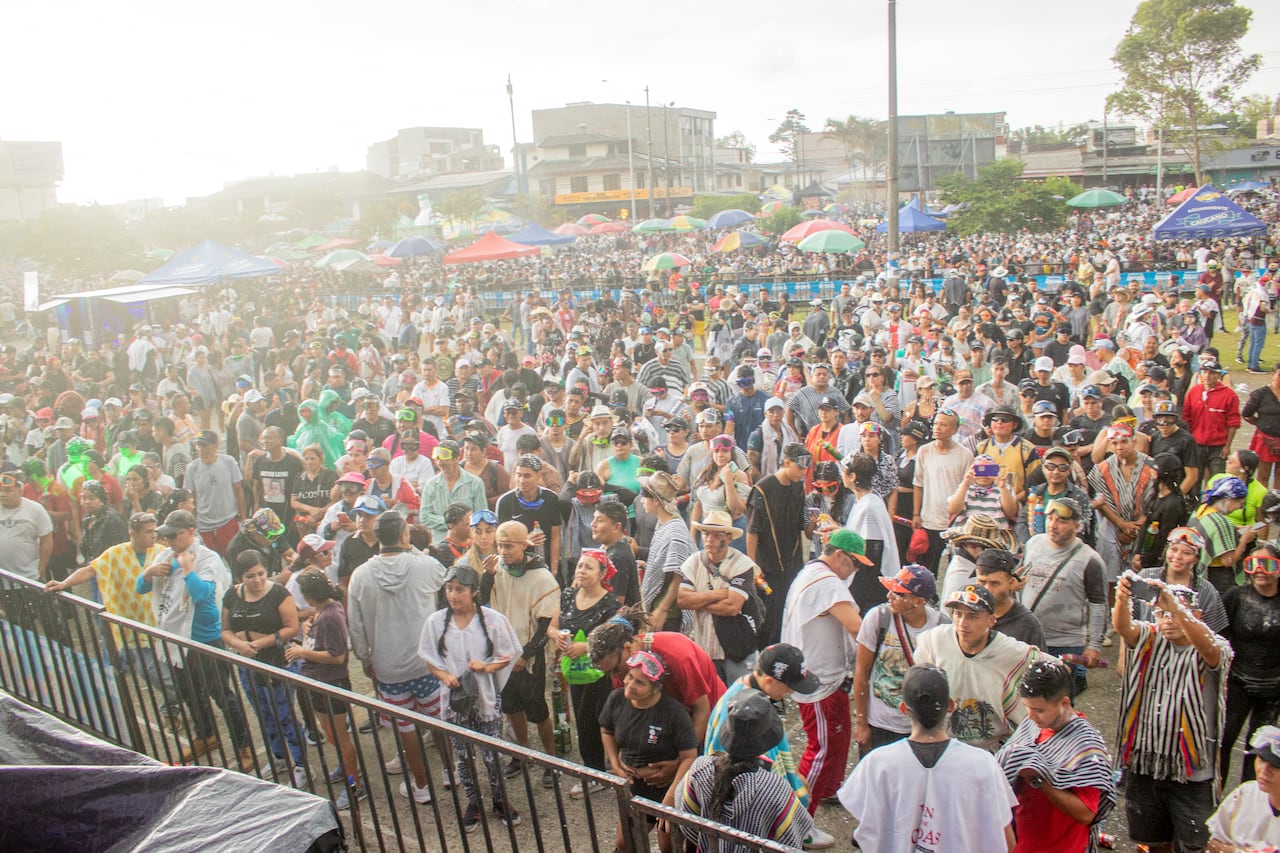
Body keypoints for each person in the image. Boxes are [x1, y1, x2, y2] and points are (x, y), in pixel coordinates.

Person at [838, 664, 1018, 852]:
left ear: (903, 708)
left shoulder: (877, 764)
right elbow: (1005, 838)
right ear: (950, 705)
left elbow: (867, 828)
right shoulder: (982, 764)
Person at [1112, 574, 1232, 853]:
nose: (1168, 620)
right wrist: (1122, 598)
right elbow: (1123, 627)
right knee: (1153, 842)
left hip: (1191, 771)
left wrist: (1178, 608)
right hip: (1146, 761)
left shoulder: (1213, 645)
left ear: (1197, 615)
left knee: (1194, 844)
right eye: (1162, 613)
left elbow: (1209, 649)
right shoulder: (1149, 637)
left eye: (1174, 614)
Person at [135, 509, 251, 769]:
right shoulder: (165, 556)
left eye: (174, 536)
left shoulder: (208, 559)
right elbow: (140, 588)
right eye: (167, 537)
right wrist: (149, 573)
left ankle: (243, 746)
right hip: (174, 638)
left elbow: (202, 595)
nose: (170, 542)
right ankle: (206, 734)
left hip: (204, 638)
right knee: (189, 692)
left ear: (189, 532)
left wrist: (188, 571)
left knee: (222, 695)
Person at [346, 511, 446, 804]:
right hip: (426, 662)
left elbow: (356, 625)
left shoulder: (360, 575)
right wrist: (414, 548)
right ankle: (450, 772)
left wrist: (365, 658)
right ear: (405, 535)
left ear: (377, 537)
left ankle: (421, 785)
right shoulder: (425, 565)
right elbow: (444, 579)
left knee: (405, 726)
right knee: (440, 720)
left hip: (387, 666)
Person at [419, 563, 523, 831]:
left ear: (474, 592)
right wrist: (444, 677)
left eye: (460, 590)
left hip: (486, 697)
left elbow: (507, 655)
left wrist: (485, 667)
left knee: (492, 755)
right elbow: (429, 658)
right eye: (450, 589)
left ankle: (500, 801)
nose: (454, 595)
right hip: (454, 700)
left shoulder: (492, 620)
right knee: (463, 756)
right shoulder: (435, 622)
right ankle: (473, 802)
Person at [781, 528, 873, 811]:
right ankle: (798, 819)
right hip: (818, 678)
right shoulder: (827, 582)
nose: (855, 570)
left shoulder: (810, 572)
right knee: (820, 748)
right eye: (854, 563)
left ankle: (829, 789)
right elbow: (859, 628)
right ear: (839, 556)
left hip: (819, 673)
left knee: (837, 739)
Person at [995, 659, 1117, 853]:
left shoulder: (1086, 746)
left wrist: (1039, 779)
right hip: (1024, 843)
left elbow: (1087, 813)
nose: (1031, 716)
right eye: (1027, 708)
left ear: (1064, 702)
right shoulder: (1032, 724)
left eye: (1039, 710)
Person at [675, 688, 814, 852]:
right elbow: (790, 842)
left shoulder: (700, 769)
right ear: (767, 739)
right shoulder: (776, 789)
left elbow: (688, 822)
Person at [479, 520, 560, 785]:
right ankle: (522, 753)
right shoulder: (496, 571)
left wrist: (525, 655)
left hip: (529, 656)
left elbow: (545, 623)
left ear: (524, 545)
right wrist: (487, 576)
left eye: (509, 546)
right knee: (512, 707)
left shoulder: (542, 577)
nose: (503, 551)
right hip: (502, 654)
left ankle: (550, 760)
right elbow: (482, 606)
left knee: (538, 710)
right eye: (500, 545)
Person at [914, 583, 1041, 752]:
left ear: (991, 620)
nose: (963, 623)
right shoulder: (933, 640)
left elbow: (1054, 669)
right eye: (958, 614)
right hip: (945, 747)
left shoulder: (1010, 650)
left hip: (994, 749)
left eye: (972, 616)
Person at [600, 649, 698, 853]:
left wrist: (670, 800)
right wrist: (615, 765)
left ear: (656, 689)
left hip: (666, 789)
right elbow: (606, 730)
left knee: (668, 847)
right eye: (629, 677)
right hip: (635, 788)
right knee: (624, 843)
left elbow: (689, 756)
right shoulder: (617, 699)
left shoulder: (674, 713)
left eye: (640, 683)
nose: (630, 685)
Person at [221, 550, 306, 786]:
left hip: (277, 663)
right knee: (264, 714)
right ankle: (278, 756)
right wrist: (240, 644)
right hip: (248, 666)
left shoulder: (278, 593)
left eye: (261, 574)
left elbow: (291, 627)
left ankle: (301, 764)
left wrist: (261, 642)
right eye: (250, 576)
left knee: (285, 715)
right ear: (239, 578)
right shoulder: (232, 596)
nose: (257, 580)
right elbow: (225, 629)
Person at [285, 570, 365, 809]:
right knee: (331, 734)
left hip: (331, 684)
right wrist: (310, 627)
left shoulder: (330, 615)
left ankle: (354, 785)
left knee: (341, 739)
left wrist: (302, 652)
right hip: (319, 684)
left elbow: (337, 656)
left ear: (310, 596)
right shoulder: (324, 610)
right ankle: (346, 767)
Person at [547, 548, 619, 797]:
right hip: (576, 674)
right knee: (584, 721)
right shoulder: (568, 596)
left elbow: (615, 638)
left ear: (602, 573)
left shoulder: (610, 603)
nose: (582, 571)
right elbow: (552, 626)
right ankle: (594, 772)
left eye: (589, 567)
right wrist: (557, 636)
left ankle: (617, 767)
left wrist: (586, 646)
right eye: (579, 566)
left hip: (603, 672)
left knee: (607, 720)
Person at [853, 564, 945, 756]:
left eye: (899, 594)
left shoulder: (942, 627)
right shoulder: (878, 618)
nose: (889, 597)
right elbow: (861, 672)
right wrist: (861, 723)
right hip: (881, 725)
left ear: (919, 602)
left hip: (920, 728)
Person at [1019, 497, 1108, 694]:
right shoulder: (1033, 544)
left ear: (1077, 525)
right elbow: (1018, 582)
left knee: (1059, 700)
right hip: (1029, 638)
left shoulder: (1090, 560)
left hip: (1065, 643)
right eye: (1050, 519)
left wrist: (1094, 645)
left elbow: (1099, 604)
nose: (1053, 525)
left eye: (1061, 521)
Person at [679, 510, 764, 684]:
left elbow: (731, 607)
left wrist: (697, 601)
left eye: (717, 535)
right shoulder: (693, 563)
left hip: (736, 647)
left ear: (729, 538)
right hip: (705, 648)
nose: (710, 539)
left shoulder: (742, 565)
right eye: (706, 533)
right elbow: (682, 600)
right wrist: (718, 594)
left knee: (739, 700)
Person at [1219, 544, 1280, 784]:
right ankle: (1215, 798)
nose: (1259, 571)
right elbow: (1220, 639)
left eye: (1267, 565)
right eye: (1252, 564)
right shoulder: (1236, 596)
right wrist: (1220, 678)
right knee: (1223, 741)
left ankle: (1251, 801)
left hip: (1273, 689)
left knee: (1259, 748)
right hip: (1237, 682)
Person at [746, 443, 813, 646]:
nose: (803, 473)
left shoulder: (798, 487)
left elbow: (804, 529)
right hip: (767, 569)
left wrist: (816, 522)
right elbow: (752, 532)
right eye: (800, 468)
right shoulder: (762, 490)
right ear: (786, 463)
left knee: (788, 614)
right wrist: (753, 568)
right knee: (768, 617)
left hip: (792, 566)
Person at [912, 410, 974, 569]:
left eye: (943, 424)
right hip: (929, 520)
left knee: (952, 568)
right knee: (926, 567)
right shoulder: (924, 451)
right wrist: (916, 514)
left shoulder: (965, 454)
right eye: (936, 423)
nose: (937, 428)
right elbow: (918, 484)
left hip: (955, 522)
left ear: (954, 429)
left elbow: (968, 489)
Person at [1205, 725, 1280, 850]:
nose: (1264, 770)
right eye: (1261, 759)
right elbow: (1210, 840)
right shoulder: (1245, 793)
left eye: (1275, 765)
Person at [638, 471, 696, 633]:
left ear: (656, 501)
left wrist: (662, 609)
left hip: (669, 614)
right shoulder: (664, 523)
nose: (641, 499)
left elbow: (679, 573)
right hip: (663, 610)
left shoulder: (674, 530)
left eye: (644, 494)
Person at [183, 429, 246, 556]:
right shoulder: (192, 468)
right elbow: (192, 498)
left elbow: (238, 490)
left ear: (216, 445)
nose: (201, 449)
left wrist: (243, 517)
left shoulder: (229, 462)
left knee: (233, 557)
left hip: (227, 521)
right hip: (204, 525)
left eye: (205, 445)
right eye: (198, 445)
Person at [974, 549, 1046, 648]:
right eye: (982, 582)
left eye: (995, 583)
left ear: (1011, 583)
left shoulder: (1027, 624)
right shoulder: (967, 613)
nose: (987, 589)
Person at [418, 440, 487, 544]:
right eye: (437, 458)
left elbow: (481, 515)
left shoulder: (475, 483)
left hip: (468, 544)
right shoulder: (431, 485)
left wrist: (460, 527)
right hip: (440, 544)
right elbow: (424, 516)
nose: (440, 462)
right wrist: (450, 523)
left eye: (445, 458)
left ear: (457, 458)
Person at [1183, 357, 1241, 482]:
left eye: (1212, 373)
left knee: (1217, 480)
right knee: (1194, 480)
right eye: (1204, 372)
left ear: (1218, 375)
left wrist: (1227, 446)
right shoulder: (1193, 392)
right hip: (1196, 445)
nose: (1207, 376)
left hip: (1218, 447)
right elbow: (1186, 418)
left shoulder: (1229, 395)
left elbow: (1234, 423)